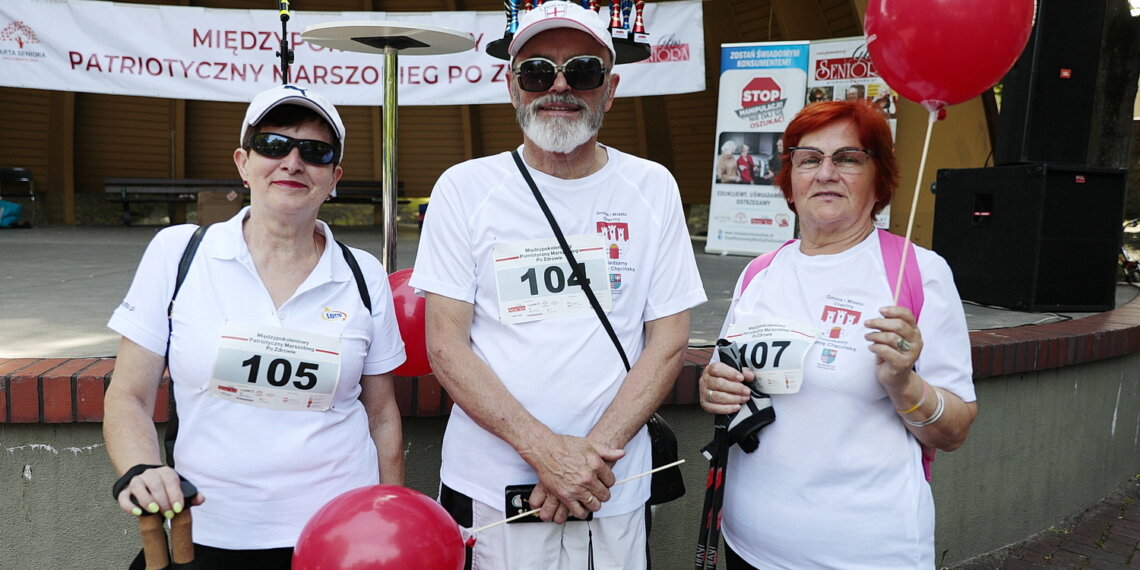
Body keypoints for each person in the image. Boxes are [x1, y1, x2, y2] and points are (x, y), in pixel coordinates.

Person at [410, 2, 706, 568]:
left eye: (585, 71)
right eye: (538, 71)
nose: (561, 87)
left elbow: (669, 338)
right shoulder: (463, 188)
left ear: (611, 88)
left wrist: (584, 461)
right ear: (512, 85)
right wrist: (545, 452)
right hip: (492, 486)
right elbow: (446, 345)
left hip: (611, 483)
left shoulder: (652, 186)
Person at [103, 84, 407, 568]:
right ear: (243, 163)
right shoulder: (179, 253)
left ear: (334, 178)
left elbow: (382, 416)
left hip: (342, 537)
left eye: (315, 151)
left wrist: (394, 522)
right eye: (272, 145)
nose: (292, 161)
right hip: (207, 531)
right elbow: (128, 396)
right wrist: (141, 468)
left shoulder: (363, 273)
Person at [699, 100, 977, 569]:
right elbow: (723, 372)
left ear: (879, 177)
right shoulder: (759, 272)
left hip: (862, 552)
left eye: (847, 158)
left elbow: (954, 432)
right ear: (791, 180)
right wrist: (714, 386)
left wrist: (904, 385)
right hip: (746, 543)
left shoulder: (916, 273)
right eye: (809, 159)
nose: (826, 172)